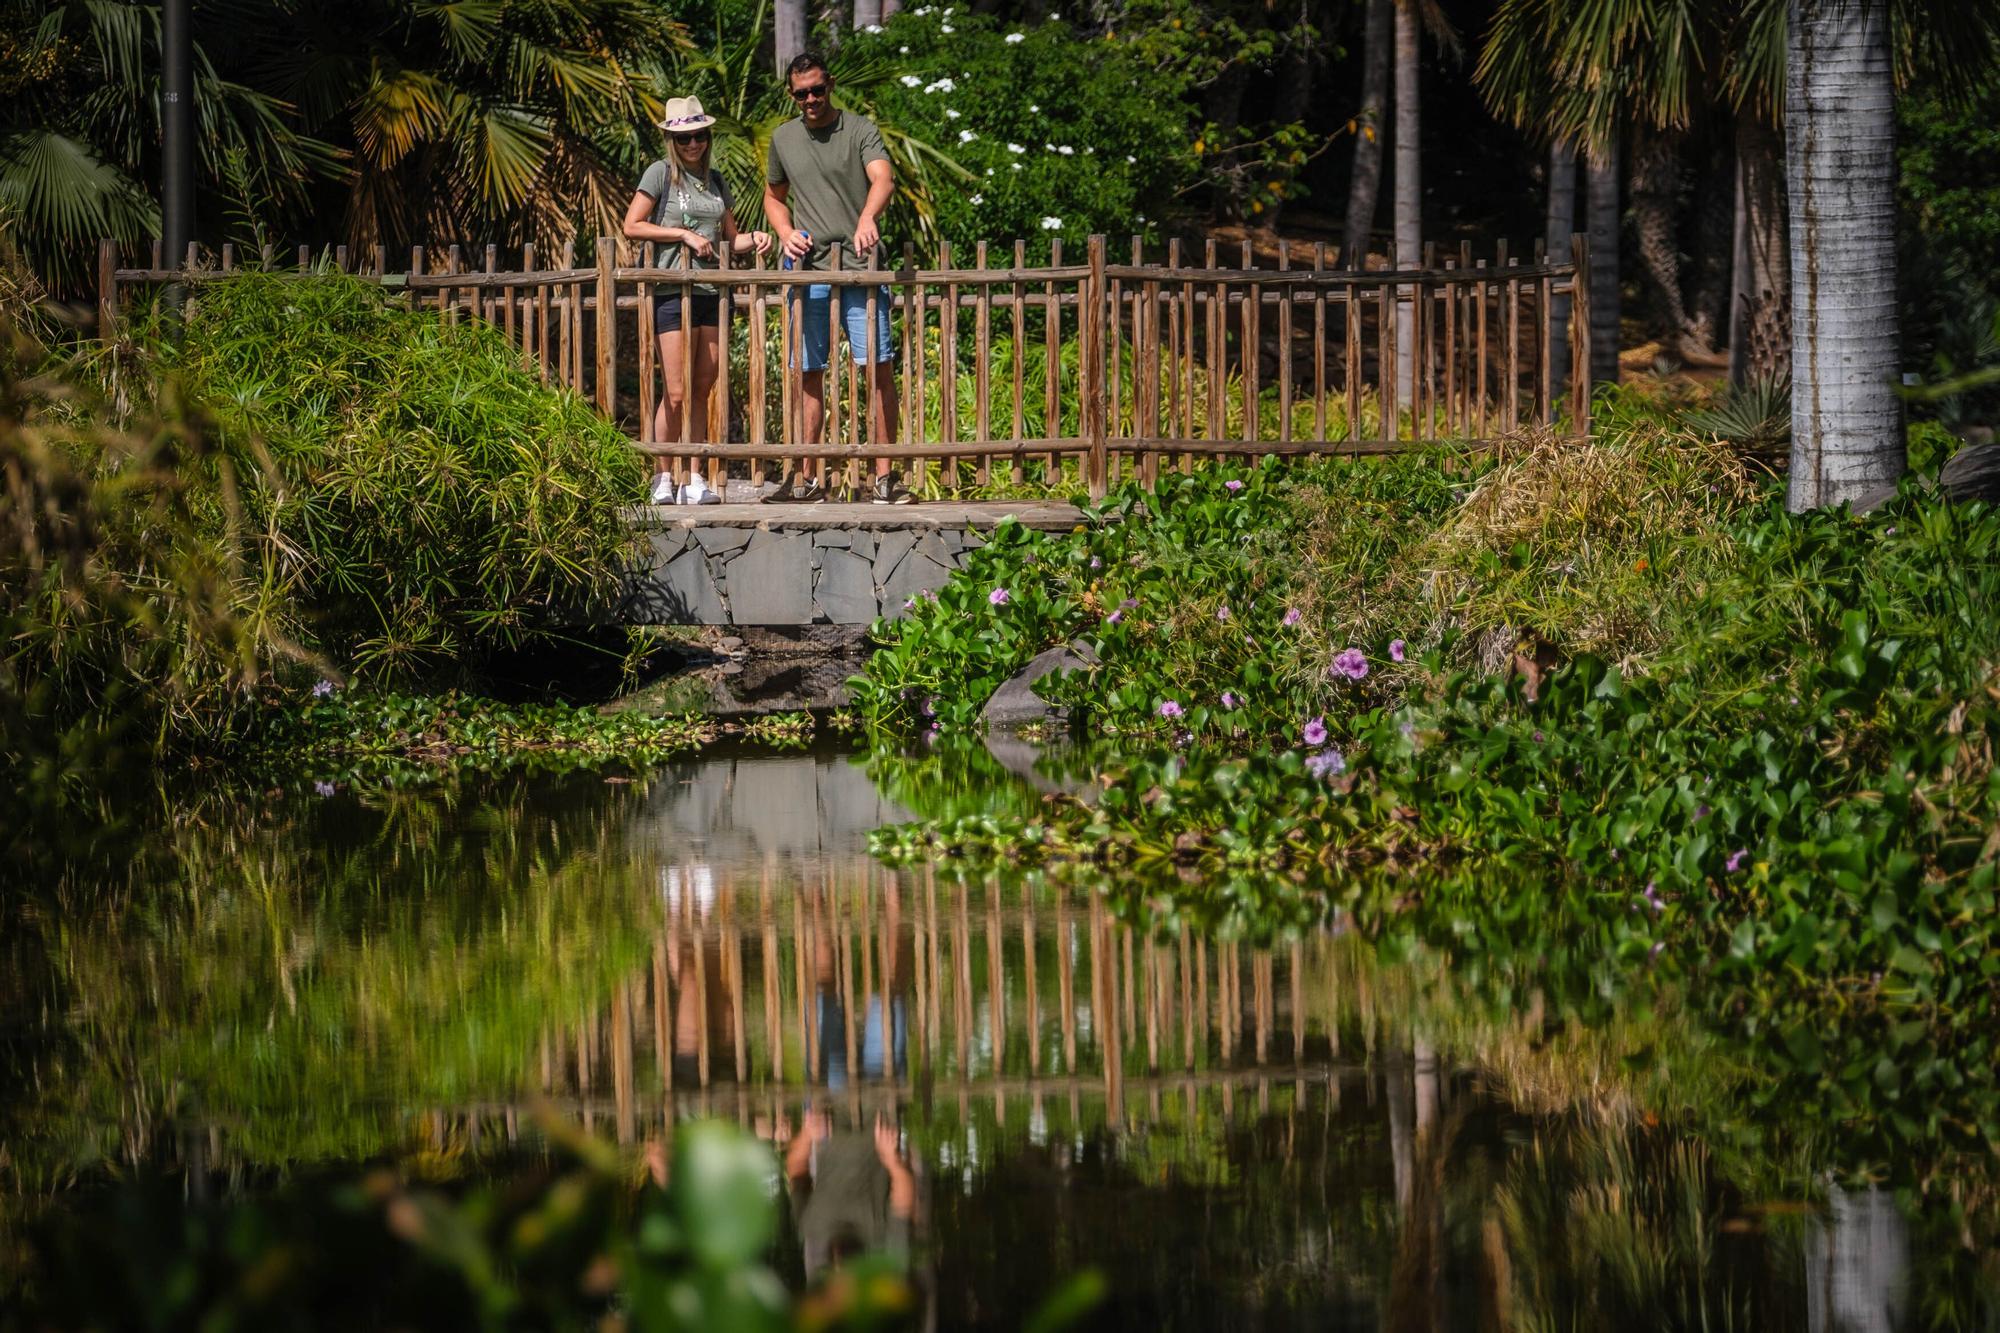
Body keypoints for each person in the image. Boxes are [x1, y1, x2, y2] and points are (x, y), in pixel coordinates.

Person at [763, 52, 910, 504]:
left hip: (860, 264)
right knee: (808, 372)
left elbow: (883, 178)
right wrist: (785, 233)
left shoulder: (860, 129)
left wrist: (868, 217)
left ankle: (885, 479)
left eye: (817, 90)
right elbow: (773, 196)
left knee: (878, 367)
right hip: (809, 270)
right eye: (801, 93)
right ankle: (807, 479)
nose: (810, 98)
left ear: (830, 86)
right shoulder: (784, 138)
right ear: (792, 95)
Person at [624, 95, 771, 506]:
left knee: (703, 387)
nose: (694, 144)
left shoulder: (716, 181)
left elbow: (729, 237)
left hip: (712, 292)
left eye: (700, 136)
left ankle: (694, 476)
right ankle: (662, 475)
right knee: (675, 390)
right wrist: (683, 235)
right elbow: (632, 225)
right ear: (673, 138)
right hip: (672, 290)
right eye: (685, 137)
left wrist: (755, 238)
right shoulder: (660, 174)